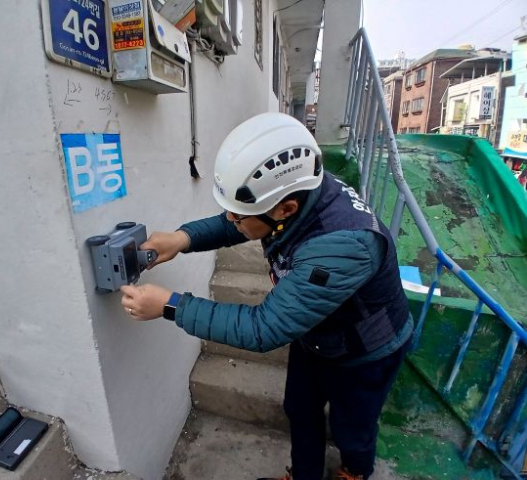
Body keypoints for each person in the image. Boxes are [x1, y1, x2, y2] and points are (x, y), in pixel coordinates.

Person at [120, 112, 413, 480]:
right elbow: (244, 222)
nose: (231, 220)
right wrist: (183, 238)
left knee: (352, 429)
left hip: (364, 351)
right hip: (317, 334)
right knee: (299, 408)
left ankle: (355, 472)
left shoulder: (342, 246)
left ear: (285, 210)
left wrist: (170, 305)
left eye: (239, 216)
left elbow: (263, 328)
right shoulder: (299, 193)